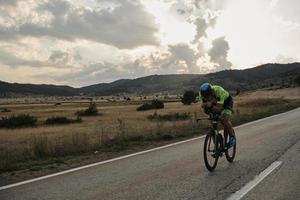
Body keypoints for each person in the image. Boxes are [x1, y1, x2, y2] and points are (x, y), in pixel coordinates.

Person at [199, 83, 236, 148]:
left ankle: (232, 137)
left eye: (208, 96)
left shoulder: (219, 91)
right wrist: (207, 109)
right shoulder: (201, 95)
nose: (207, 98)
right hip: (214, 103)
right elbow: (205, 109)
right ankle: (216, 141)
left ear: (212, 92)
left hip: (226, 102)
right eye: (205, 97)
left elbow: (219, 108)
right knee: (212, 120)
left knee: (224, 120)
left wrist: (211, 105)